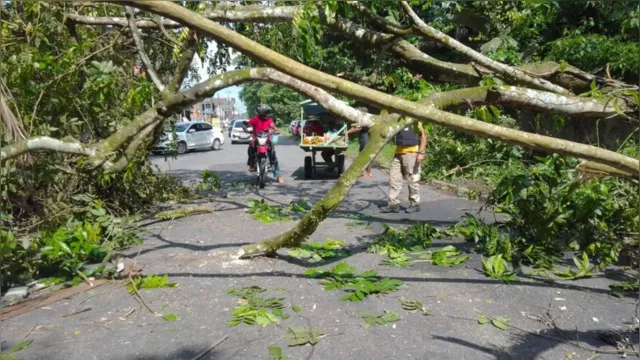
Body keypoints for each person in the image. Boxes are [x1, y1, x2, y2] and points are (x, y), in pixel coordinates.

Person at [380, 123, 428, 214]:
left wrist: (421, 152)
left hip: (412, 153)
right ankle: (393, 204)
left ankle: (415, 204)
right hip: (398, 152)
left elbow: (424, 135)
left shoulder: (415, 121)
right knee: (394, 178)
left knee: (412, 179)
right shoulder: (398, 121)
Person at [244, 104, 284, 184]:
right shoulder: (255, 119)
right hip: (256, 137)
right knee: (250, 147)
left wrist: (276, 130)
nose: (267, 114)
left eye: (267, 112)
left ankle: (278, 175)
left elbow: (273, 126)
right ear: (261, 112)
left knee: (273, 155)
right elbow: (248, 124)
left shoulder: (269, 120)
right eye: (266, 112)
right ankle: (251, 164)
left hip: (266, 138)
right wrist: (247, 129)